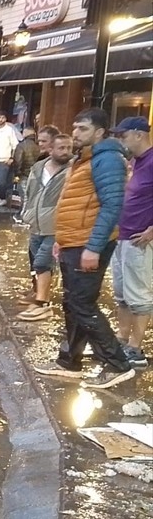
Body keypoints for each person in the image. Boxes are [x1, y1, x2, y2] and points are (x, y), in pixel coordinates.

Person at [33, 108, 135, 389]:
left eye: (83, 129)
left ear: (100, 132)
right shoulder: (84, 160)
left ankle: (116, 364)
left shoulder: (107, 161)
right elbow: (75, 203)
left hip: (88, 244)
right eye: (75, 127)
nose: (76, 133)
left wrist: (93, 247)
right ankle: (70, 361)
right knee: (73, 303)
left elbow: (113, 206)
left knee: (82, 304)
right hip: (73, 242)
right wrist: (61, 239)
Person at [111, 116, 153, 368]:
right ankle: (122, 338)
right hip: (124, 236)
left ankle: (136, 350)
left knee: (139, 296)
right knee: (122, 294)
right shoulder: (136, 162)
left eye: (123, 135)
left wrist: (152, 230)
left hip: (140, 239)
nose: (121, 140)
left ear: (138, 134)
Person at [17, 133, 71, 322]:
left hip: (56, 226)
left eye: (68, 148)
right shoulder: (38, 167)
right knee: (35, 261)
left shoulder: (72, 169)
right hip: (36, 224)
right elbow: (29, 192)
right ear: (51, 149)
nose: (66, 152)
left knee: (43, 262)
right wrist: (26, 212)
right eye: (61, 148)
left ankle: (43, 304)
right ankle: (39, 294)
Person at [0, 112, 21, 207]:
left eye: (3, 117)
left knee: (2, 182)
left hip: (4, 160)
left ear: (5, 119)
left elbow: (15, 145)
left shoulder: (9, 130)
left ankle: (2, 198)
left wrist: (11, 158)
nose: (1, 119)